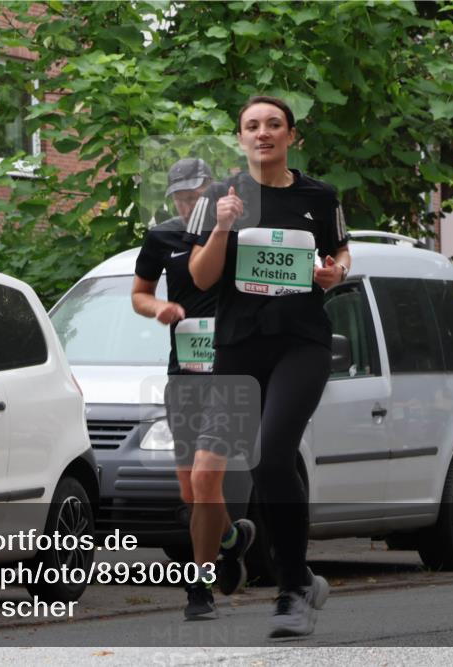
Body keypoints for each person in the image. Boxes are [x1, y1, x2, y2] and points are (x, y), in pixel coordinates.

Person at [187, 96, 350, 638]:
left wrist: (335, 272)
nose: (263, 133)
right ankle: (300, 576)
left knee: (272, 454)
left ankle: (289, 591)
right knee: (222, 469)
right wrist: (222, 229)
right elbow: (202, 278)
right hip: (238, 348)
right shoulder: (219, 196)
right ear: (240, 138)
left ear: (291, 136)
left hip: (301, 342)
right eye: (252, 126)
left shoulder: (319, 197)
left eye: (273, 125)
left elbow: (340, 253)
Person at [132, 158, 256, 620]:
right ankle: (231, 539)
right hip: (184, 375)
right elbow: (139, 294)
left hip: (230, 374)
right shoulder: (163, 236)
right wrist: (159, 307)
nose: (188, 204)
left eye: (196, 194)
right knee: (190, 491)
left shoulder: (238, 231)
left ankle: (199, 590)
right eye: (180, 196)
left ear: (213, 191)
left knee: (206, 480)